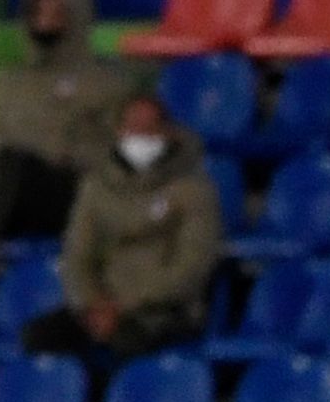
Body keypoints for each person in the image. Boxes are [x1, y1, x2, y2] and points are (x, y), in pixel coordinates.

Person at [0, 0, 148, 260]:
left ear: (76, 17)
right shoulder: (11, 83)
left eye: (56, 14)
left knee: (16, 164)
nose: (46, 22)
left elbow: (121, 153)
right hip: (10, 187)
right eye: (39, 14)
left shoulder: (108, 82)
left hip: (75, 191)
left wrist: (62, 154)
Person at [26, 95, 219, 371]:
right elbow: (78, 254)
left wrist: (123, 305)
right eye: (133, 128)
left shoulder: (194, 189)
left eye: (149, 129)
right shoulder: (96, 187)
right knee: (39, 336)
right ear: (119, 132)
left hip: (162, 307)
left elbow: (192, 265)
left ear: (167, 132)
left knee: (127, 340)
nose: (140, 137)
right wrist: (90, 302)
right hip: (101, 303)